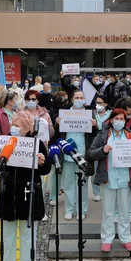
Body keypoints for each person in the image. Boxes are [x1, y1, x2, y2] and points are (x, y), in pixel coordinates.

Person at [0, 116, 50, 261]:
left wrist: (41, 163)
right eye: (12, 124)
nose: (13, 127)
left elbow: (46, 169)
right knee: (7, 232)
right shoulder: (6, 142)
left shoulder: (36, 143)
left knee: (28, 231)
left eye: (17, 125)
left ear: (26, 128)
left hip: (28, 190)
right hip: (8, 190)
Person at [90, 109, 131, 253]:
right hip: (107, 178)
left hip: (126, 179)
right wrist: (103, 150)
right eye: (117, 118)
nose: (119, 121)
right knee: (108, 212)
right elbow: (91, 152)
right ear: (111, 120)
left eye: (122, 119)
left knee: (124, 212)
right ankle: (107, 239)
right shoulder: (103, 135)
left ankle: (125, 239)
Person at [56, 90, 95, 220]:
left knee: (82, 183)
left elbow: (96, 134)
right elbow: (57, 134)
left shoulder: (90, 114)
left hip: (83, 154)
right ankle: (69, 209)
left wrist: (94, 125)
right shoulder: (65, 113)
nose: (79, 99)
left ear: (84, 100)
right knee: (68, 184)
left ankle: (81, 210)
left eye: (81, 97)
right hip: (67, 154)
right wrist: (57, 123)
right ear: (72, 99)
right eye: (77, 97)